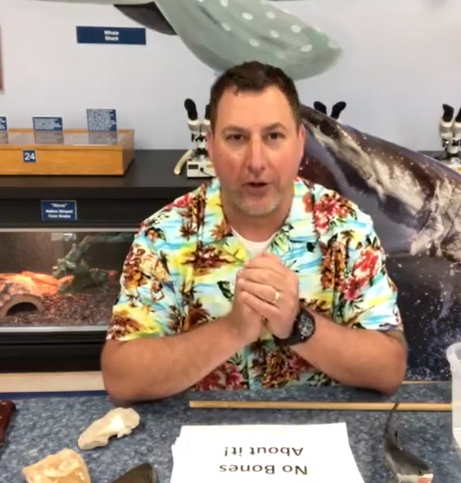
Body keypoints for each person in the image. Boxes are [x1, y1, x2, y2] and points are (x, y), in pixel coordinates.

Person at [101, 61, 407, 403]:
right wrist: (232, 330)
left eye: (274, 136)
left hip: (318, 429)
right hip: (201, 429)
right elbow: (123, 379)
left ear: (300, 143)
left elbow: (388, 369)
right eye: (236, 138)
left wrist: (298, 324)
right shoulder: (165, 235)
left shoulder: (346, 228)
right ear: (211, 146)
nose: (256, 161)